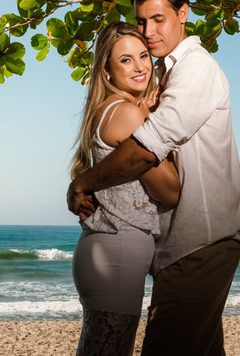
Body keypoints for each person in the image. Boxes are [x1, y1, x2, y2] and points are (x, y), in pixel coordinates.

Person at [67, 0, 240, 355]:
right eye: (142, 21)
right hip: (178, 249)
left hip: (199, 243)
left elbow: (148, 149)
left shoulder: (195, 68)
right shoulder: (161, 75)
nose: (148, 32)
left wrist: (83, 183)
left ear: (183, 14)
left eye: (158, 19)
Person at [71, 21, 181, 356]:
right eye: (125, 60)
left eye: (143, 55)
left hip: (106, 251)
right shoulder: (126, 113)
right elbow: (170, 191)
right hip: (116, 252)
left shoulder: (108, 109)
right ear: (106, 71)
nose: (139, 67)